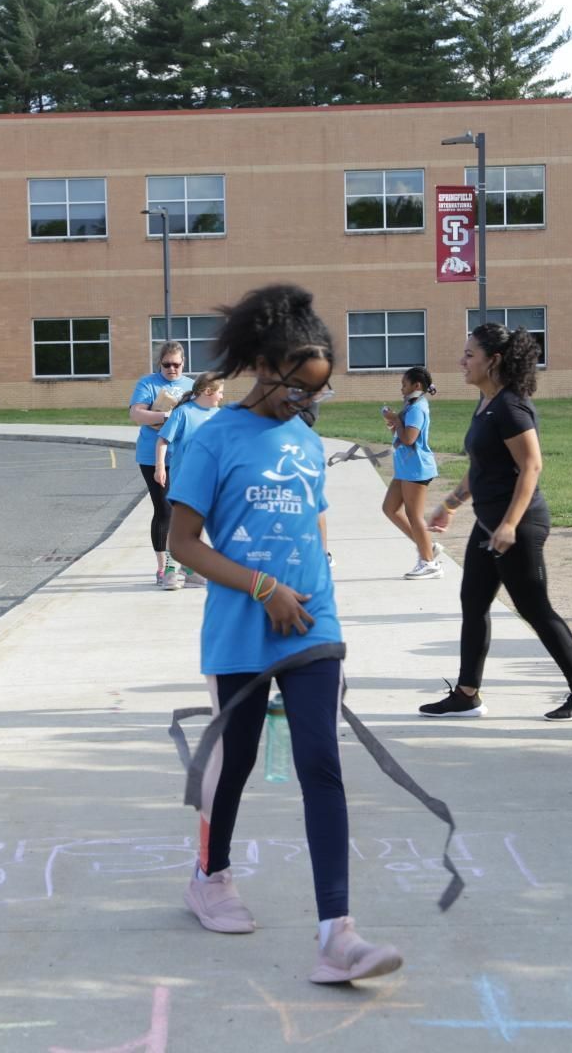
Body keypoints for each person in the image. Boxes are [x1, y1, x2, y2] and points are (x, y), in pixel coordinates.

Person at [167, 284, 402, 984]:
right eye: (298, 389)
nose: (306, 405)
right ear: (264, 367)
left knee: (320, 764)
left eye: (317, 395)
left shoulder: (304, 441)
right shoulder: (213, 440)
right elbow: (183, 542)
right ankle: (210, 876)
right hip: (243, 623)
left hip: (312, 622)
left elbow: (314, 516)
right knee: (235, 760)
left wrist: (315, 578)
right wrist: (263, 587)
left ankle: (339, 934)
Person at [422, 325, 572, 722]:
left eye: (470, 354)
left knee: (534, 607)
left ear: (494, 360)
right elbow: (482, 466)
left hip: (516, 524)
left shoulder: (510, 406)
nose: (462, 361)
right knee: (473, 601)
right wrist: (451, 504)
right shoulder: (486, 403)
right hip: (489, 521)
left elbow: (531, 466)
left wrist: (509, 525)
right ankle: (467, 694)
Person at [129, 342, 195, 586]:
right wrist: (167, 416)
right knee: (164, 509)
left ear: (183, 363)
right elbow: (136, 414)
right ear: (160, 364)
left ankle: (188, 565)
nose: (171, 369)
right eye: (166, 364)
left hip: (185, 457)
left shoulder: (190, 386)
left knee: (187, 511)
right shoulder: (148, 383)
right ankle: (163, 567)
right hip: (152, 457)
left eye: (176, 364)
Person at [155, 372, 226, 589]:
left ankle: (191, 569)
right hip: (184, 478)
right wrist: (159, 467)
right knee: (179, 524)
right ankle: (170, 570)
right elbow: (162, 440)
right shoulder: (183, 413)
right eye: (220, 392)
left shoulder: (218, 415)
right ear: (207, 392)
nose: (222, 397)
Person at [381, 366, 441, 580]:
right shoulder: (411, 405)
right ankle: (427, 546)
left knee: (414, 515)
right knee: (389, 508)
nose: (401, 389)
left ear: (416, 385)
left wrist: (396, 421)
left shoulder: (417, 408)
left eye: (404, 385)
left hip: (416, 469)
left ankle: (429, 563)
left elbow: (409, 439)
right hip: (406, 468)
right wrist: (396, 420)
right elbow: (404, 432)